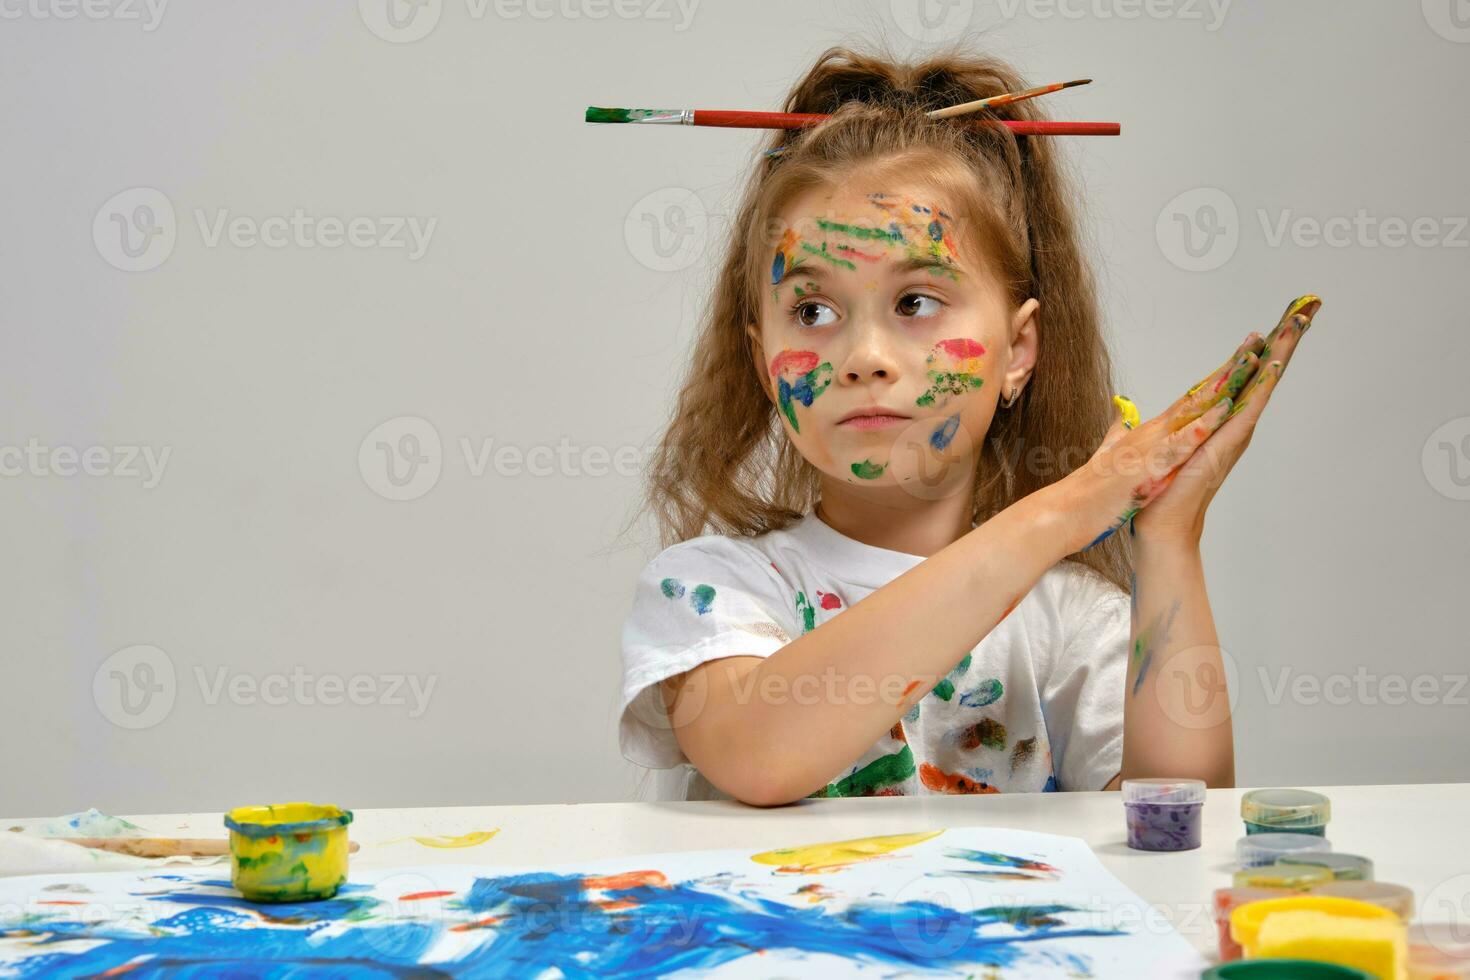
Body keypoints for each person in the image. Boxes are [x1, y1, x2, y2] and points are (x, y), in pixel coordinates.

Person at [617, 45, 1319, 805]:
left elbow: (1184, 818)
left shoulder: (1073, 621)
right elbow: (758, 756)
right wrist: (1070, 507)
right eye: (813, 311)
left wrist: (1169, 540)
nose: (863, 357)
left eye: (915, 302)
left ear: (1018, 351)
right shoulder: (713, 591)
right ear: (764, 364)